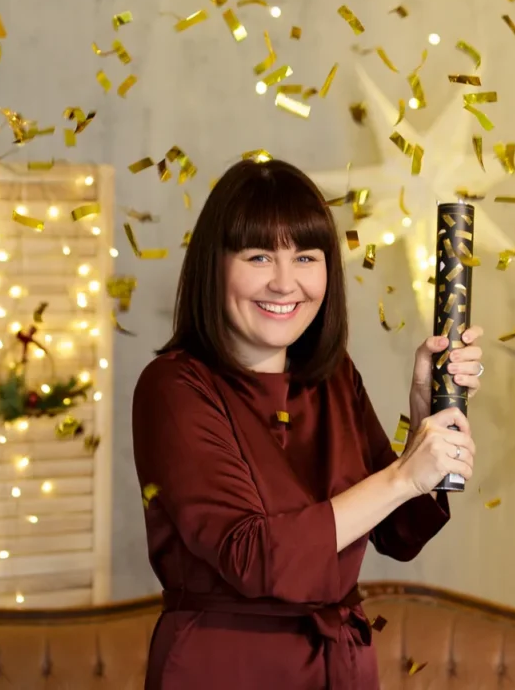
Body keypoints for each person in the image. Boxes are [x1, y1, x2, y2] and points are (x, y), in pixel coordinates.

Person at [131, 157, 484, 689]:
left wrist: (423, 416)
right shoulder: (174, 388)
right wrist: (404, 474)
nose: (284, 283)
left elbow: (397, 531)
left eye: (305, 257)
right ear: (215, 264)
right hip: (225, 669)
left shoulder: (333, 377)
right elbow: (250, 555)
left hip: (338, 667)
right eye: (258, 256)